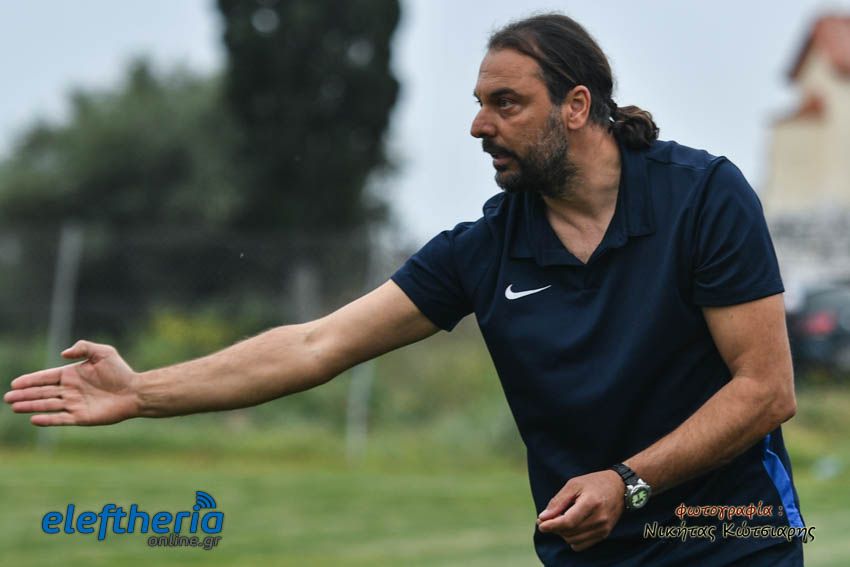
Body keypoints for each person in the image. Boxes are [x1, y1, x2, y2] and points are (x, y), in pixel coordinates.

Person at [4, 13, 804, 566]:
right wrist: (142, 391)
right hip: (593, 551)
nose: (480, 126)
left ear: (576, 106)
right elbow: (316, 343)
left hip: (735, 539)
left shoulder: (703, 197)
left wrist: (628, 482)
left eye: (506, 104)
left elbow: (766, 389)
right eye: (478, 105)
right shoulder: (482, 251)